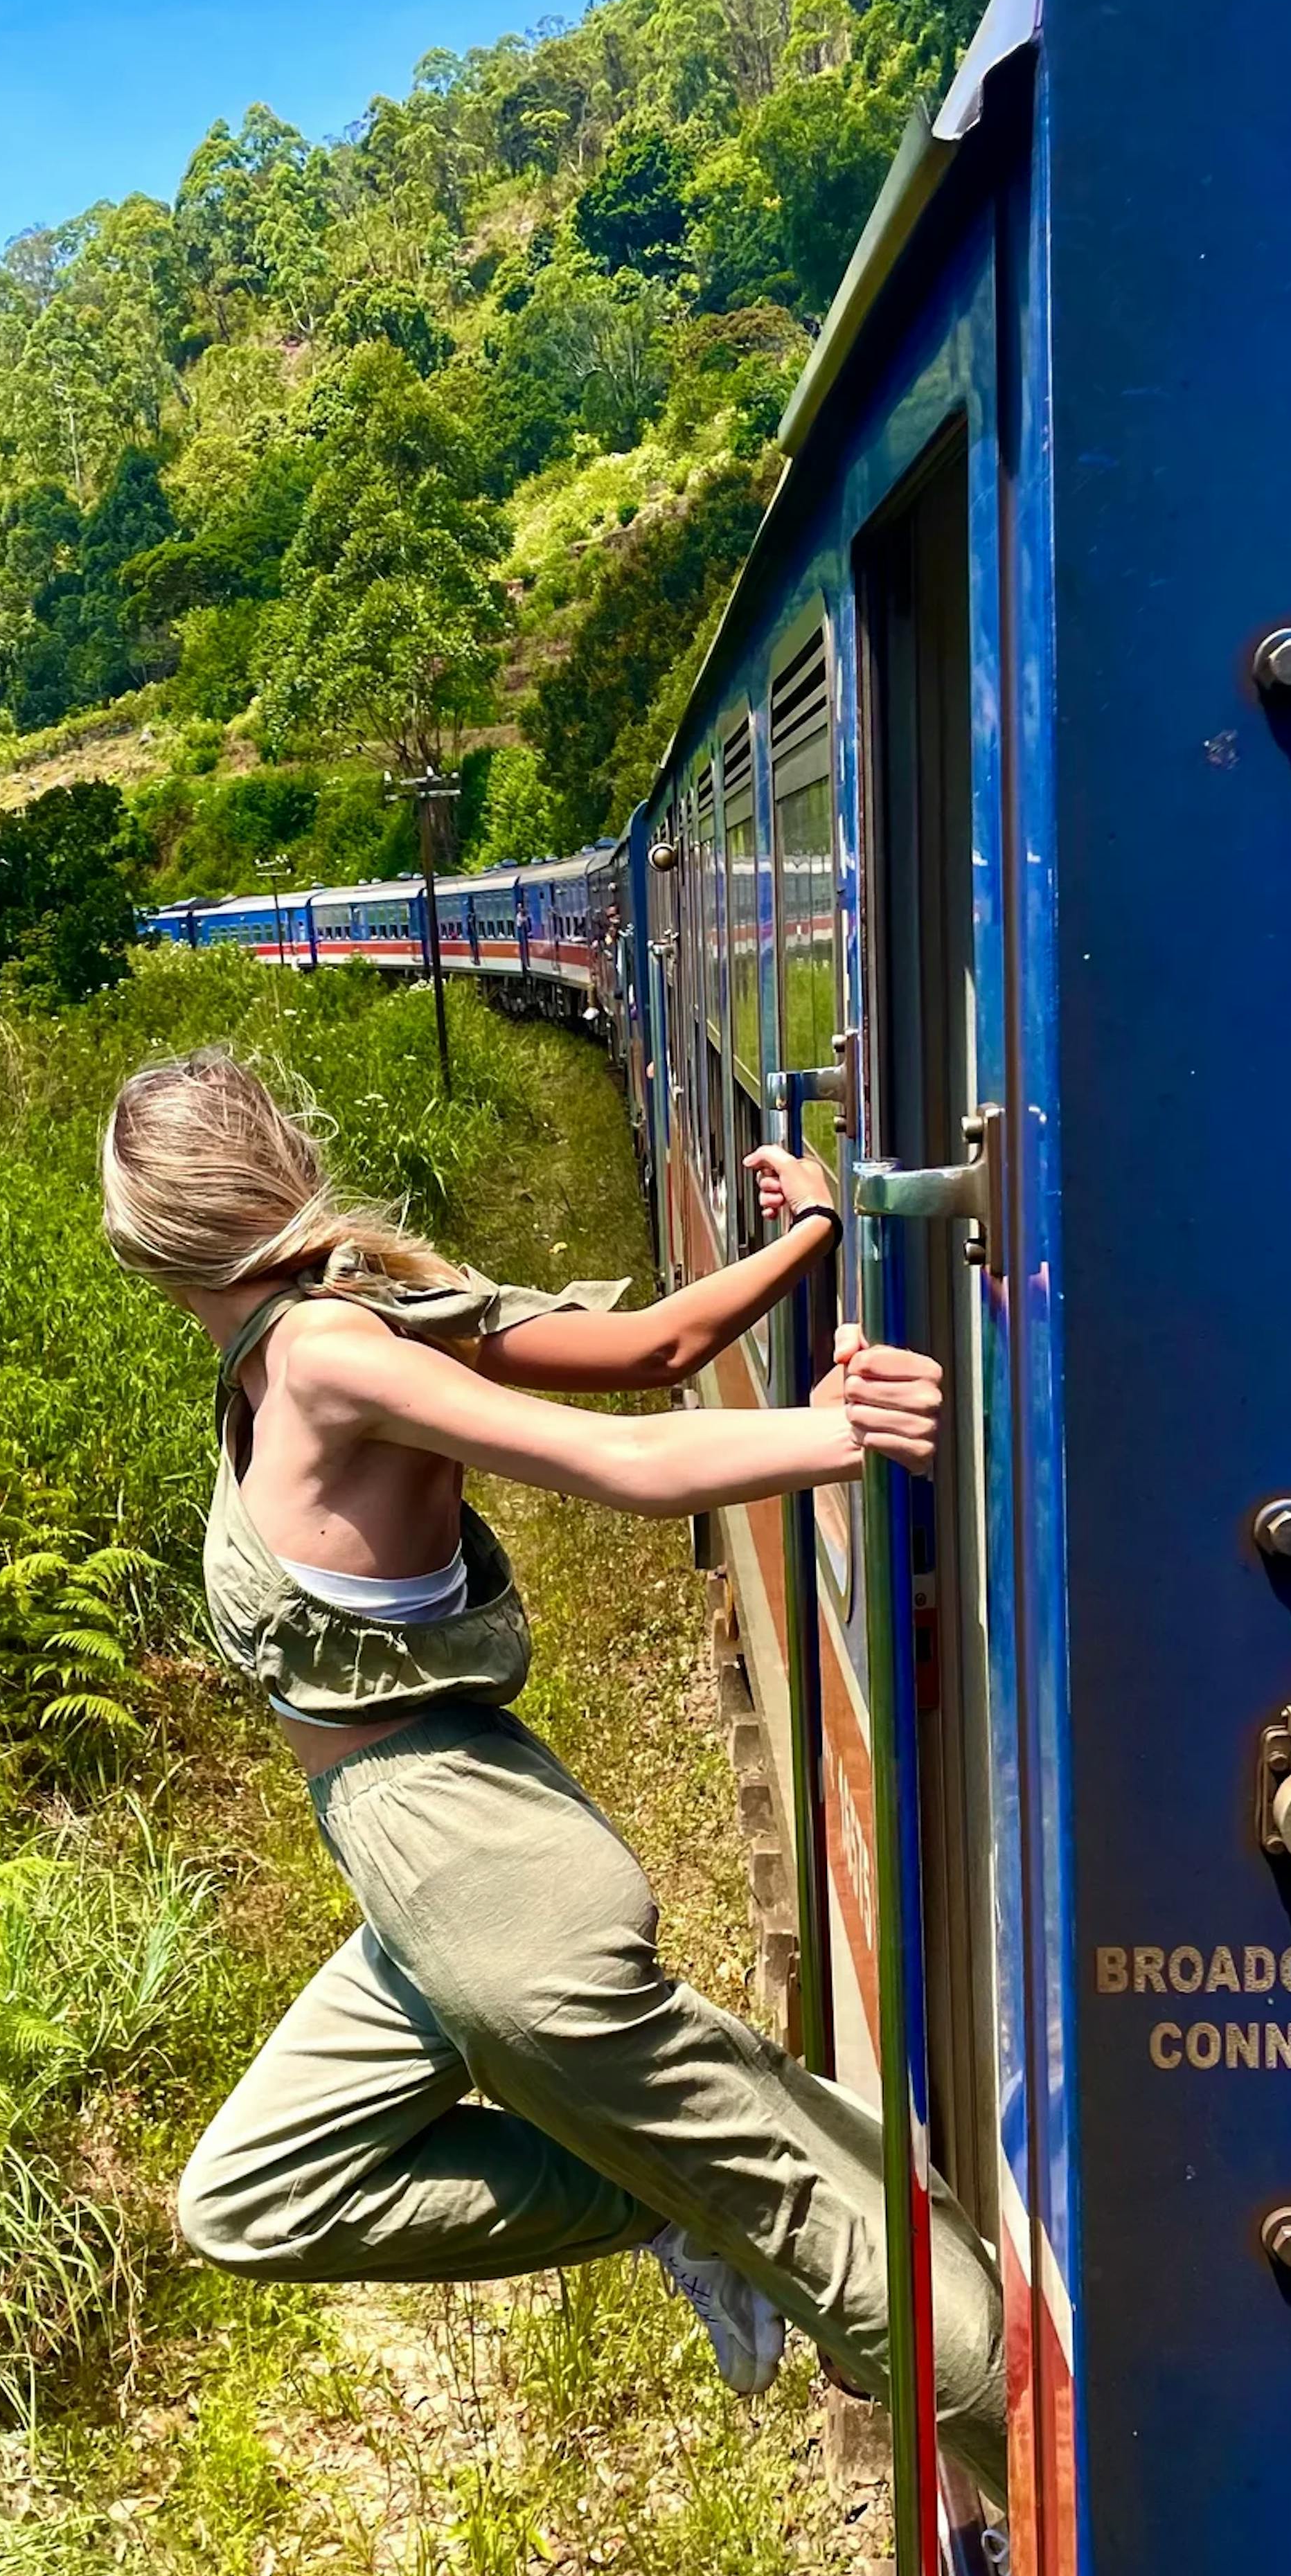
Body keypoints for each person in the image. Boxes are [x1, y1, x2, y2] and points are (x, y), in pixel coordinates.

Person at [98, 1046, 1005, 2490]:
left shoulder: (330, 1351)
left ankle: (1060, 2505)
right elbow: (651, 1349)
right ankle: (682, 2202)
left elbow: (620, 1459)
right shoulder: (322, 1337)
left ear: (144, 1239)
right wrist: (816, 1235)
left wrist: (844, 1433)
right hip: (427, 1884)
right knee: (251, 2195)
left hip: (482, 1885)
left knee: (835, 2250)